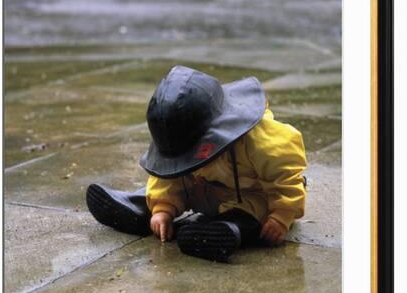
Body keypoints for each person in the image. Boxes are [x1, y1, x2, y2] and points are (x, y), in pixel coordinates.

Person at [86, 65, 307, 262]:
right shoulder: (179, 139)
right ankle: (142, 206)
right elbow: (167, 174)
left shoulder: (260, 139)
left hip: (251, 194)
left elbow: (285, 175)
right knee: (173, 179)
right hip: (201, 185)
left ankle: (229, 228)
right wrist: (162, 207)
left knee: (252, 209)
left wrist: (282, 215)